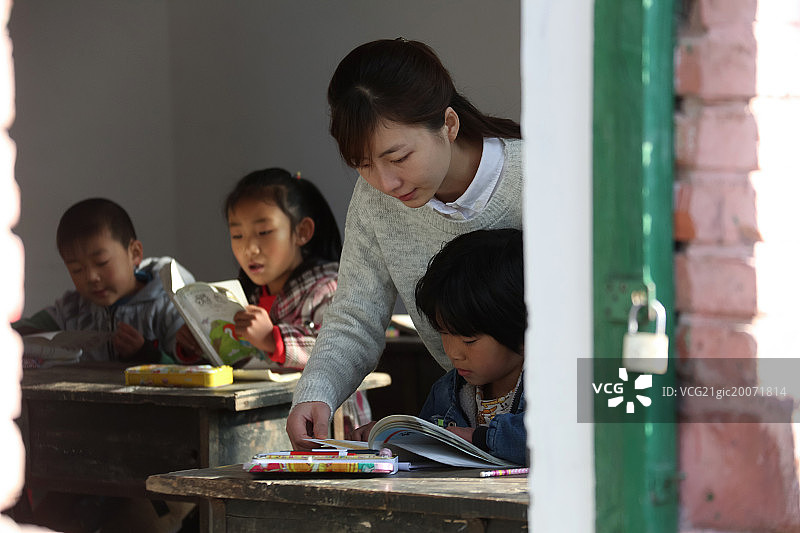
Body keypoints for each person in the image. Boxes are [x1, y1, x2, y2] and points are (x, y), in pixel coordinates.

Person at [286, 38, 523, 449]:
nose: (385, 183)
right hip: (467, 410)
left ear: (449, 125)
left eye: (398, 158)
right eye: (362, 164)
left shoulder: (539, 180)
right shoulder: (375, 199)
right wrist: (316, 392)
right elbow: (356, 315)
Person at [177, 168, 370, 430]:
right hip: (263, 422)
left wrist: (273, 339)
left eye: (264, 232)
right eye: (237, 235)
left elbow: (340, 348)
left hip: (330, 429)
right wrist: (200, 343)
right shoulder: (250, 295)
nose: (250, 248)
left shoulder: (328, 287)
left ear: (302, 232)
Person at [351, 229, 527, 465]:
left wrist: (480, 438)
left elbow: (574, 433)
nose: (453, 353)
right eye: (444, 333)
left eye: (469, 341)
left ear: (523, 333)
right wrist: (393, 440)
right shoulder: (447, 391)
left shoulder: (559, 385)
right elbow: (430, 450)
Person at [13, 197, 193, 363]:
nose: (91, 277)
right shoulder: (71, 309)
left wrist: (145, 354)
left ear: (135, 253)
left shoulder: (170, 305)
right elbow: (21, 328)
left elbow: (193, 373)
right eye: (77, 269)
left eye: (101, 263)